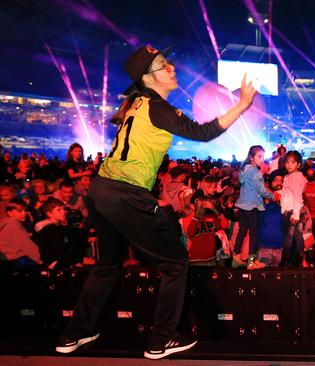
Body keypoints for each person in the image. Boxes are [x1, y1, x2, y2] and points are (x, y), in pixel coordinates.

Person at [55, 44, 258, 359]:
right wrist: (243, 104)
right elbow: (203, 132)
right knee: (176, 261)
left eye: (170, 63)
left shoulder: (135, 102)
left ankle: (75, 333)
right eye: (164, 65)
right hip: (125, 193)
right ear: (148, 78)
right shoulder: (156, 106)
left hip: (100, 190)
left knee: (108, 265)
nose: (172, 68)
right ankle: (161, 339)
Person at [233, 145, 276, 269]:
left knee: (242, 231)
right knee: (254, 233)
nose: (262, 159)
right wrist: (274, 196)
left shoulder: (244, 169)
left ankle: (236, 256)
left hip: (242, 205)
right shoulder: (255, 172)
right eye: (259, 156)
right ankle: (251, 263)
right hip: (252, 206)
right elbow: (262, 191)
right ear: (252, 157)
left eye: (263, 156)